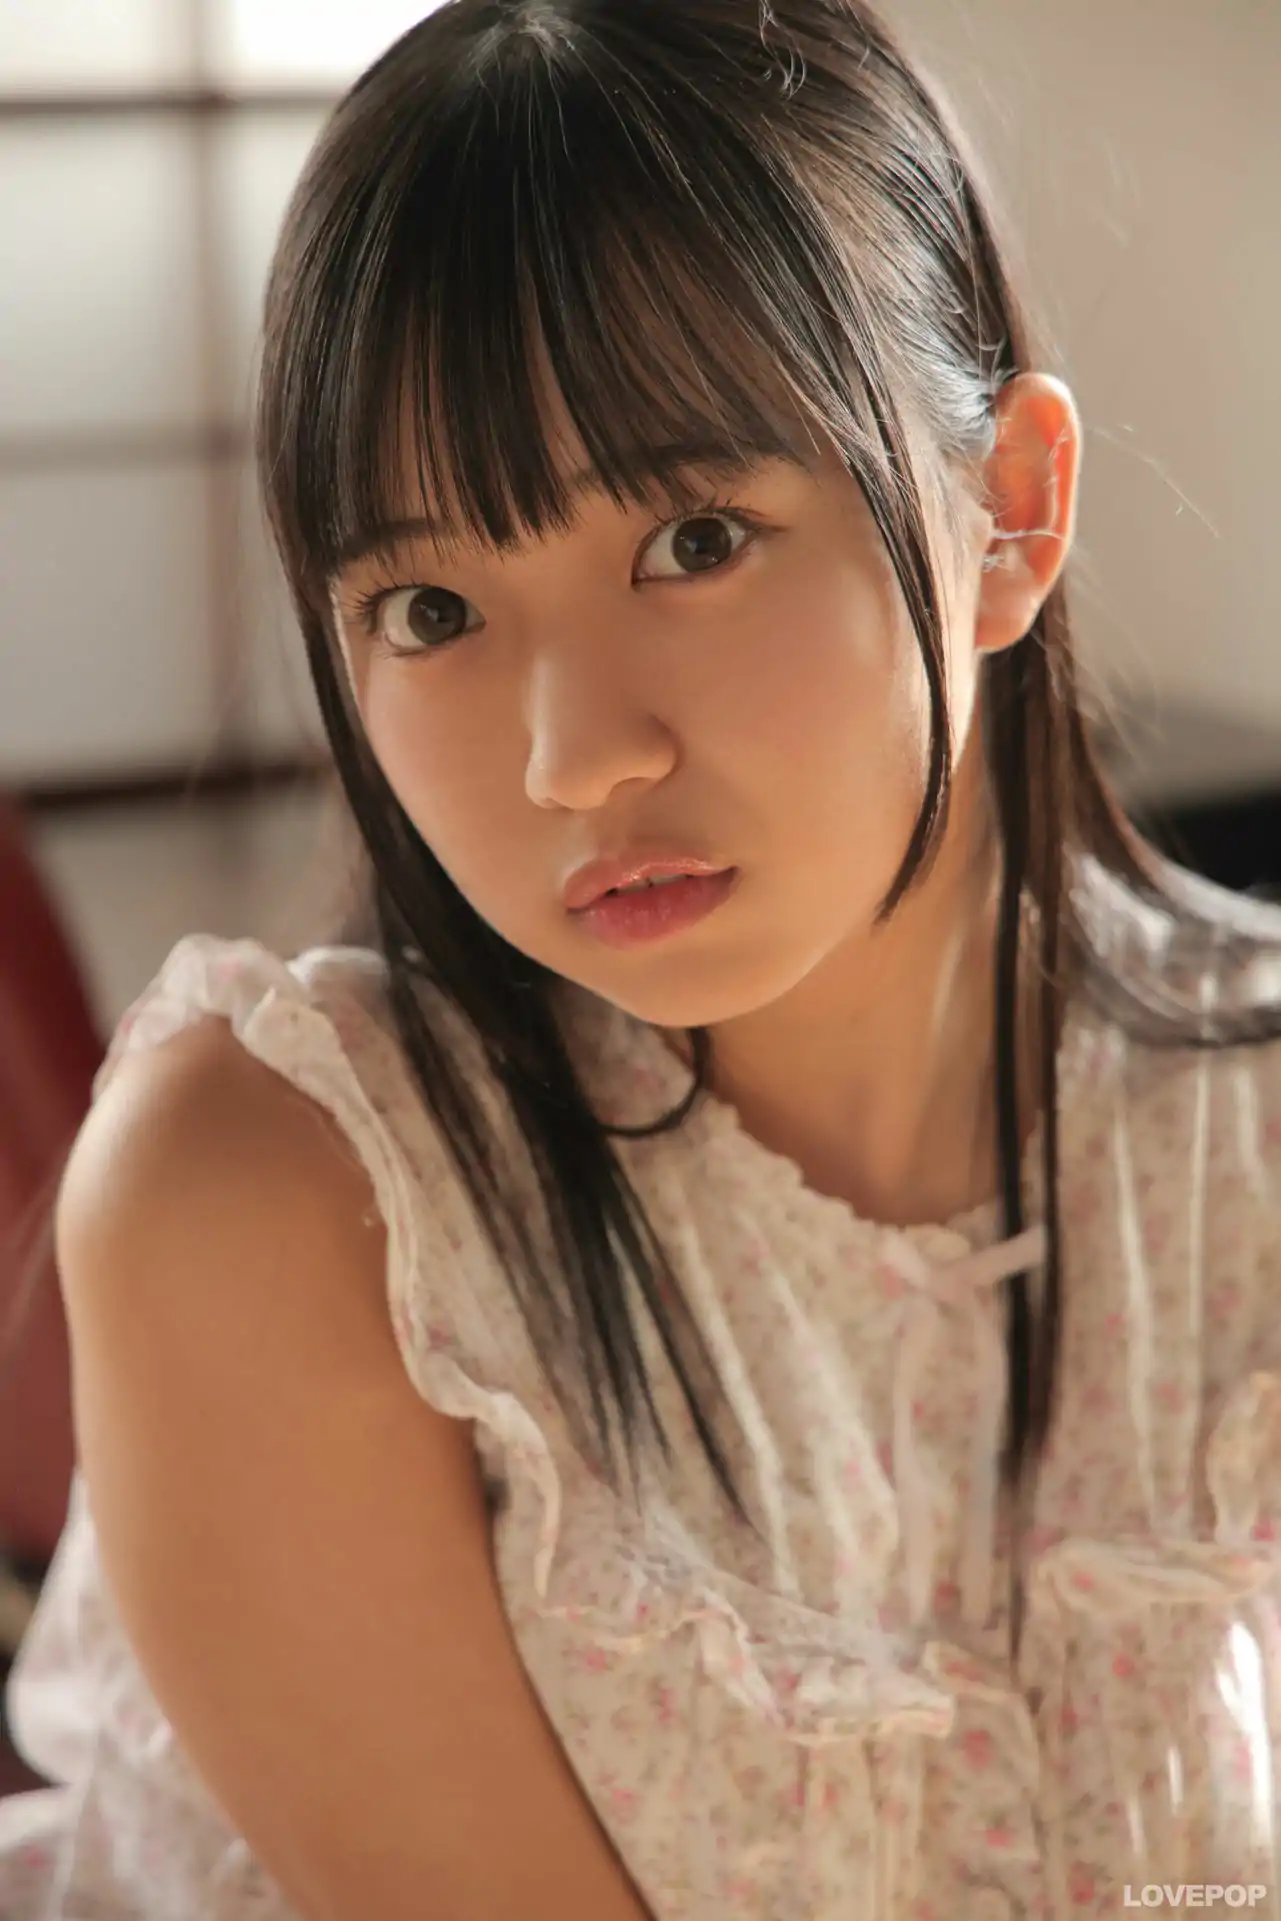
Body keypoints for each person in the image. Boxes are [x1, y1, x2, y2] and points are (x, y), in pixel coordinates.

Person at [2, 0, 1279, 1913]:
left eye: (693, 540)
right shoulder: (296, 1200)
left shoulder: (1245, 1128)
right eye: (431, 608)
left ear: (1010, 513)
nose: (571, 757)